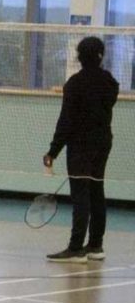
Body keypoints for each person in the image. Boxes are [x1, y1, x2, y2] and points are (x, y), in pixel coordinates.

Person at [42, 36, 118, 263]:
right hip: (103, 142)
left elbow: (66, 121)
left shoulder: (75, 83)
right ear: (101, 55)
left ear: (79, 57)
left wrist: (52, 151)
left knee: (81, 196)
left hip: (81, 146)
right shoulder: (110, 83)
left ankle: (75, 248)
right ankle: (95, 245)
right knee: (96, 191)